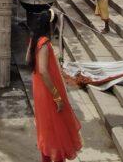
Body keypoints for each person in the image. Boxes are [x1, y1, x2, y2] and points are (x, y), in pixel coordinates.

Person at [28, 11, 82, 162]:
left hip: (38, 88)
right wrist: (57, 96)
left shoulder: (35, 39)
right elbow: (44, 71)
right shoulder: (44, 42)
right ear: (50, 25)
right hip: (47, 90)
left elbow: (28, 59)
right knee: (56, 128)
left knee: (46, 127)